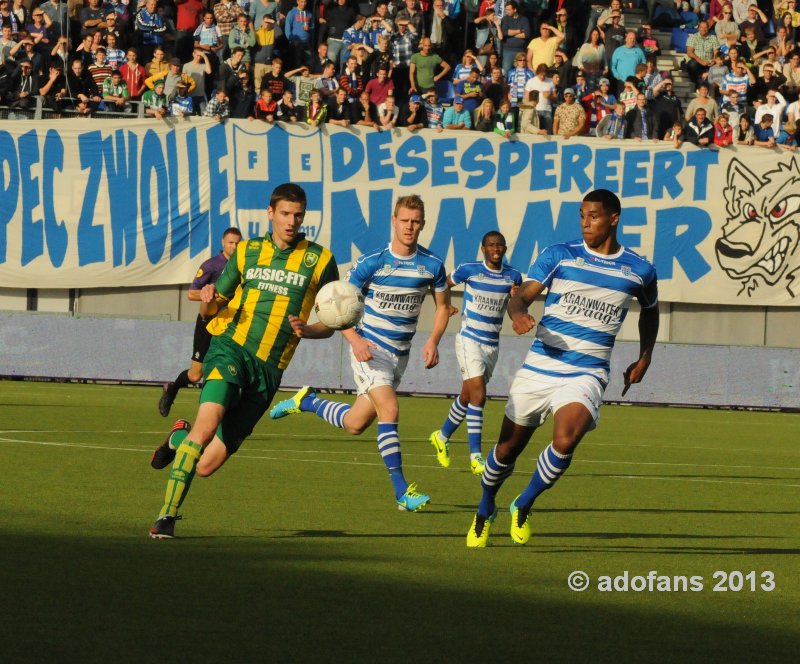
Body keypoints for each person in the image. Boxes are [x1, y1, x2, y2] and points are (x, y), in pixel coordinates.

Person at [465, 189, 659, 548]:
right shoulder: (561, 255)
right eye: (582, 215)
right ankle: (486, 505)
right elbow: (521, 294)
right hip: (541, 365)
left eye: (594, 215)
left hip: (587, 371)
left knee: (566, 439)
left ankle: (523, 503)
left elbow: (650, 310)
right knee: (507, 450)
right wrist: (519, 313)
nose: (586, 222)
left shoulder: (639, 269)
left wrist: (645, 355)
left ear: (614, 218)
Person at [148, 184, 338, 538]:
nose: (291, 221)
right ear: (270, 213)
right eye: (285, 214)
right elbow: (213, 307)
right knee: (205, 429)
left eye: (298, 215)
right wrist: (207, 299)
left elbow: (332, 321)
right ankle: (166, 516)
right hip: (230, 350)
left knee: (205, 465)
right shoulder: (248, 251)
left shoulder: (321, 260)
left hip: (268, 372)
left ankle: (176, 440)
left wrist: (309, 330)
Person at [269, 194, 451, 513]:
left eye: (415, 221)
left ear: (423, 224)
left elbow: (443, 308)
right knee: (390, 411)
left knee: (355, 423)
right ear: (393, 222)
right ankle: (401, 493)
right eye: (404, 220)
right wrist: (355, 341)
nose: (409, 227)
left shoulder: (432, 265)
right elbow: (339, 307)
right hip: (369, 350)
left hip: (400, 356)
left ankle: (306, 401)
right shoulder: (372, 262)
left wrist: (434, 340)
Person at [429, 232, 522, 475]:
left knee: (468, 396)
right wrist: (444, 306)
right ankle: (476, 457)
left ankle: (441, 436)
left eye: (500, 245)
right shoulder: (469, 269)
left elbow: (516, 304)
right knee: (479, 396)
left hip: (492, 344)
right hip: (469, 340)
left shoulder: (513, 276)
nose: (496, 249)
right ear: (483, 248)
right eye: (491, 245)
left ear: (504, 248)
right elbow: (440, 285)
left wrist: (517, 302)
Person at [158, 228, 243, 418]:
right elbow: (191, 293)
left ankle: (221, 418)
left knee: (230, 370)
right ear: (223, 242)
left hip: (231, 325)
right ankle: (171, 389)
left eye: (238, 243)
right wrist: (210, 294)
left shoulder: (243, 267)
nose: (235, 246)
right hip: (208, 322)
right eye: (231, 242)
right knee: (196, 374)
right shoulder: (212, 265)